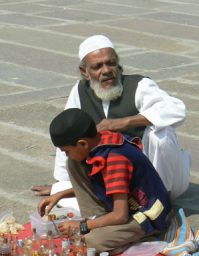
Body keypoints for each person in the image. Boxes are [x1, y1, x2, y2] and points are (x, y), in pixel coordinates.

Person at [32, 34, 191, 202]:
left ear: (118, 64)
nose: (106, 71)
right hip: (118, 178)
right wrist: (61, 185)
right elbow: (68, 134)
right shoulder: (79, 91)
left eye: (111, 63)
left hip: (159, 176)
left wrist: (126, 122)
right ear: (84, 72)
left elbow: (177, 109)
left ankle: (160, 201)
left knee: (161, 134)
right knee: (68, 201)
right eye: (97, 66)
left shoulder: (139, 85)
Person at [38, 108, 172, 255]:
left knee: (90, 242)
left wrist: (82, 226)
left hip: (145, 216)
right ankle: (97, 223)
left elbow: (120, 216)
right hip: (121, 206)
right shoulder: (99, 142)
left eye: (66, 151)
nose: (66, 155)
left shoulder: (116, 160)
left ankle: (138, 238)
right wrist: (59, 195)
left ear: (83, 144)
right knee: (74, 164)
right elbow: (101, 186)